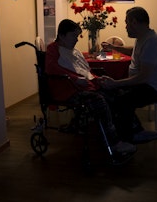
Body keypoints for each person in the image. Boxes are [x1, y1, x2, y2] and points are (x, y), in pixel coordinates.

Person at [45, 19, 136, 156]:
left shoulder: (72, 51)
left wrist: (97, 79)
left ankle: (124, 134)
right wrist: (75, 79)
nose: (76, 40)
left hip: (81, 87)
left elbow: (84, 71)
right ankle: (114, 143)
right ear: (62, 36)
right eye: (73, 36)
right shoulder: (53, 49)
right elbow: (51, 68)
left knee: (116, 93)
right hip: (67, 90)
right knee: (99, 100)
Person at [100, 7, 157, 143]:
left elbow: (144, 77)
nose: (126, 27)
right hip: (144, 84)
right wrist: (114, 48)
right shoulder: (143, 37)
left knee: (121, 100)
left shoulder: (151, 42)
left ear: (135, 22)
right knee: (110, 93)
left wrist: (116, 83)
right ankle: (134, 129)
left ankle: (128, 137)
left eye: (127, 23)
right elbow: (133, 50)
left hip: (152, 88)